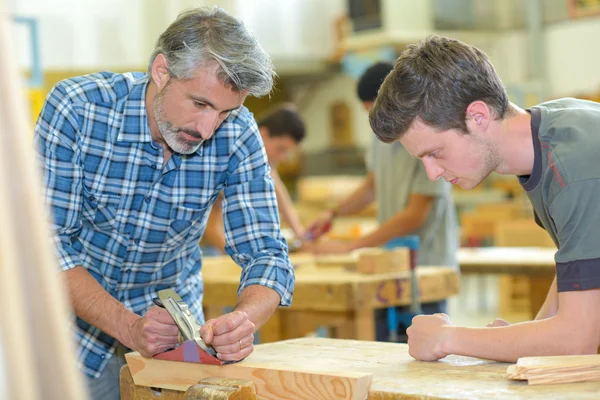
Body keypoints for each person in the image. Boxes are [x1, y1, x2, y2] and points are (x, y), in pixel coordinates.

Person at [33, 7, 294, 399]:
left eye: (225, 112)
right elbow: (46, 248)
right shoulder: (79, 110)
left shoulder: (238, 133)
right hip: (66, 328)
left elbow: (267, 254)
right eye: (200, 104)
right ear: (161, 71)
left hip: (174, 334)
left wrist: (244, 319)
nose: (207, 129)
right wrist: (129, 326)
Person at [369, 35, 600, 362]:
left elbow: (577, 340)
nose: (433, 173)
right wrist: (523, 338)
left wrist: (448, 338)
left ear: (478, 116)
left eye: (435, 153)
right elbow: (584, 274)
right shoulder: (549, 137)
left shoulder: (573, 168)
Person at [306, 62, 458, 341]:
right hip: (387, 264)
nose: (375, 120)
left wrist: (351, 247)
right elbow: (371, 187)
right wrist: (333, 214)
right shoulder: (383, 137)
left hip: (425, 269)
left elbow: (415, 216)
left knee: (424, 353)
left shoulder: (430, 139)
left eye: (375, 110)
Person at [202, 104, 307, 254]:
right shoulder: (229, 155)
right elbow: (210, 227)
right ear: (263, 134)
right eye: (281, 149)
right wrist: (247, 259)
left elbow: (278, 191)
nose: (282, 157)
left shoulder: (259, 158)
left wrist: (301, 235)